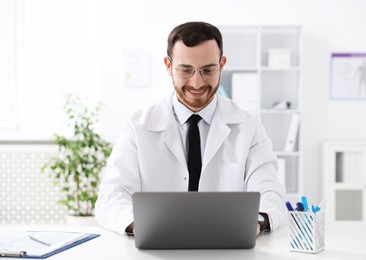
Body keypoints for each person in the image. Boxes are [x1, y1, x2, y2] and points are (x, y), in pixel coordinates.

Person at [95, 21, 286, 236]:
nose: (196, 83)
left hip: (228, 247)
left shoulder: (248, 126)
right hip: (157, 247)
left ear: (222, 65)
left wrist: (257, 220)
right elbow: (111, 196)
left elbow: (270, 191)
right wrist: (139, 224)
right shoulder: (137, 126)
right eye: (186, 70)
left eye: (208, 70)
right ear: (168, 66)